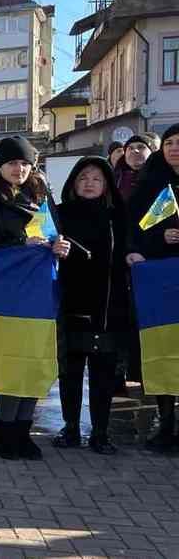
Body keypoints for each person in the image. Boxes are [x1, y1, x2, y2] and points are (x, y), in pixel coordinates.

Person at [0, 135, 70, 460]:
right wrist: (17, 248)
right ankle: (4, 432)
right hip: (6, 294)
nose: (19, 169)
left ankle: (24, 430)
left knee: (34, 361)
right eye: (12, 163)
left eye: (25, 163)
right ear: (0, 166)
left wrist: (59, 247)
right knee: (12, 364)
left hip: (41, 290)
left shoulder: (40, 195)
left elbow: (54, 231)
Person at [53, 156, 129, 456]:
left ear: (107, 185)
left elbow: (132, 249)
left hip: (108, 308)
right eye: (83, 177)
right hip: (70, 304)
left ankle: (100, 432)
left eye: (96, 179)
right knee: (70, 372)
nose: (89, 183)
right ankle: (70, 427)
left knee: (103, 375)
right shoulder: (59, 214)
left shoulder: (118, 217)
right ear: (73, 182)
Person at [126, 123, 179, 453]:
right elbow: (133, 228)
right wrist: (159, 237)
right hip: (160, 282)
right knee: (163, 353)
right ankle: (165, 422)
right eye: (170, 142)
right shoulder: (149, 185)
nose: (175, 147)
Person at [114, 134, 154, 202]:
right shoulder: (114, 178)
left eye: (141, 147)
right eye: (130, 148)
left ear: (151, 152)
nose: (135, 150)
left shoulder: (163, 175)